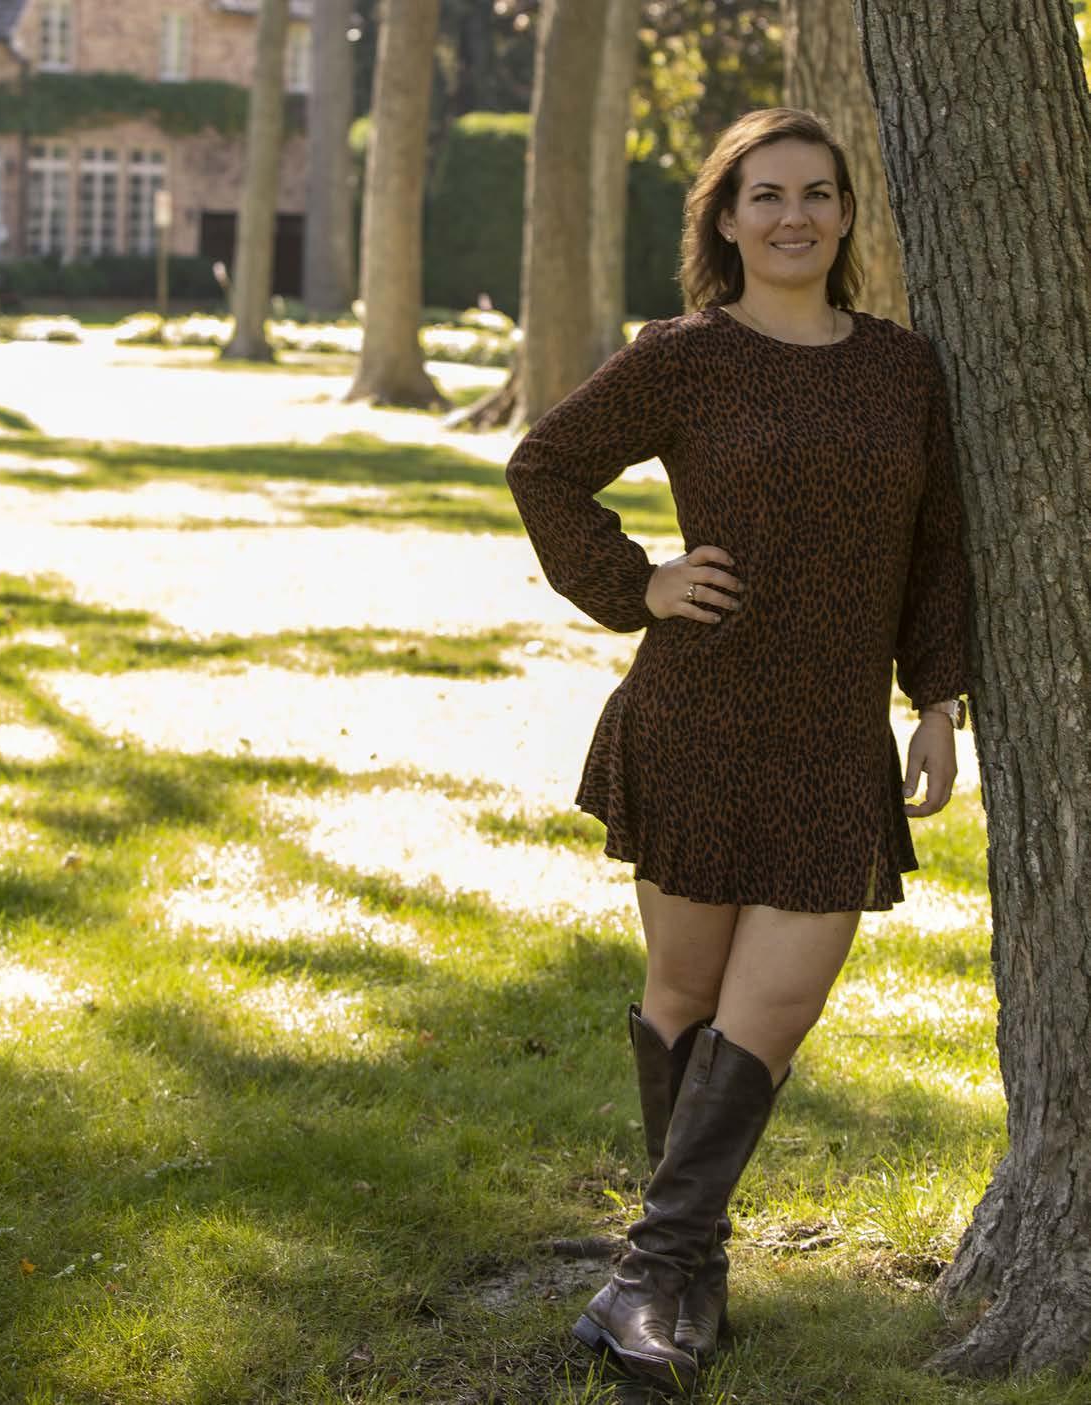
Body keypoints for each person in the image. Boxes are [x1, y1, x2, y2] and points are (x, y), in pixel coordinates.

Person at [503, 107, 970, 1393]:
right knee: (682, 996)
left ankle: (645, 1277)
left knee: (768, 1012)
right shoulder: (683, 356)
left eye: (815, 194)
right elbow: (544, 466)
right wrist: (638, 585)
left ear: (844, 214)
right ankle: (676, 1278)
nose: (792, 216)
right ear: (722, 218)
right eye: (763, 195)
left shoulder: (901, 369)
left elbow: (937, 545)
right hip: (697, 715)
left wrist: (935, 700)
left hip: (831, 737)